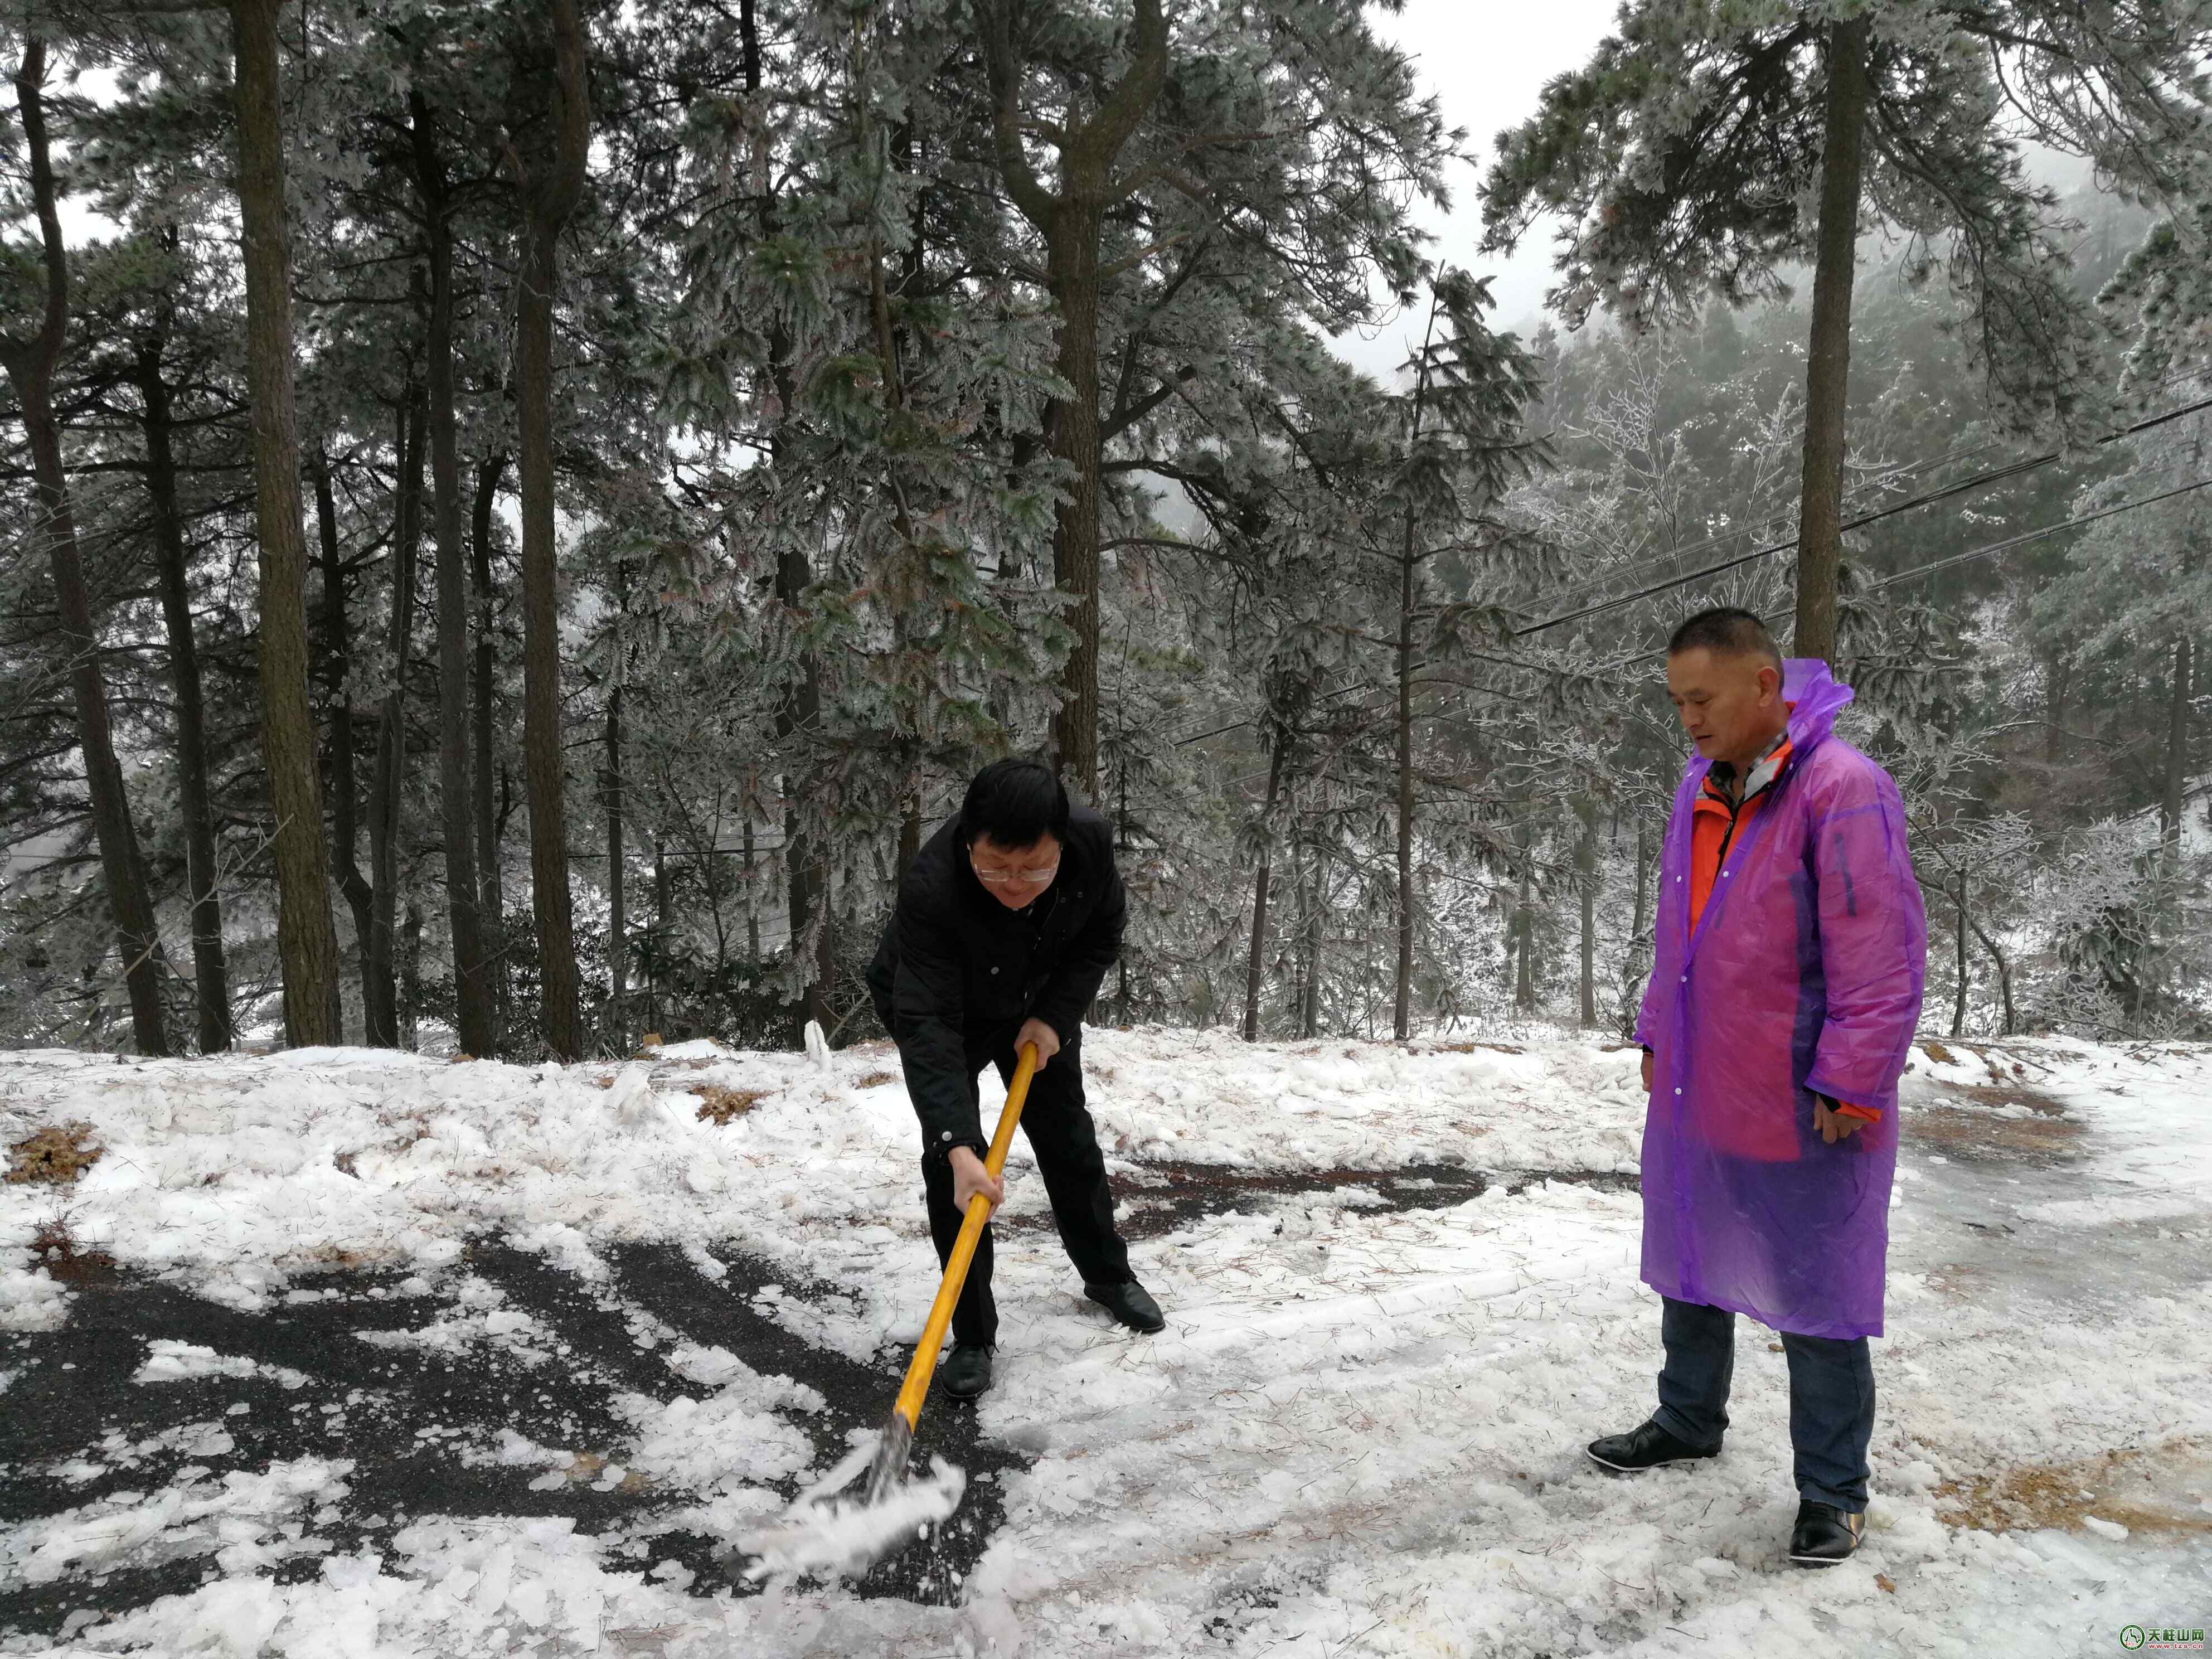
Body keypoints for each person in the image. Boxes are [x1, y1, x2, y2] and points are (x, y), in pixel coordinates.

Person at [1586, 608, 1926, 1569]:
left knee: (1815, 1287)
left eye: (1700, 699)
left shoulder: (1841, 788)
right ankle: (1687, 1418)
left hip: (1800, 1088)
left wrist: (1852, 1080)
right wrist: (1658, 1032)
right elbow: (1680, 933)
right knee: (1692, 1252)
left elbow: (1880, 954)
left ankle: (1832, 1491)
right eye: (1676, 703)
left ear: (1765, 685)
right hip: (1704, 1073)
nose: (1687, 720)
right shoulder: (1701, 785)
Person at [866, 758, 1163, 1401]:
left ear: (1061, 844)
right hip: (945, 1011)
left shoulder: (1090, 845)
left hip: (1036, 1002)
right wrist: (957, 1145)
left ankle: (1108, 1277)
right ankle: (972, 1335)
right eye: (995, 867)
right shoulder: (932, 889)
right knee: (955, 1170)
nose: (1015, 884)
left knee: (1068, 1139)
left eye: (1034, 868)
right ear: (969, 843)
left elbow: (1100, 936)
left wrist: (1054, 1016)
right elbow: (928, 1026)